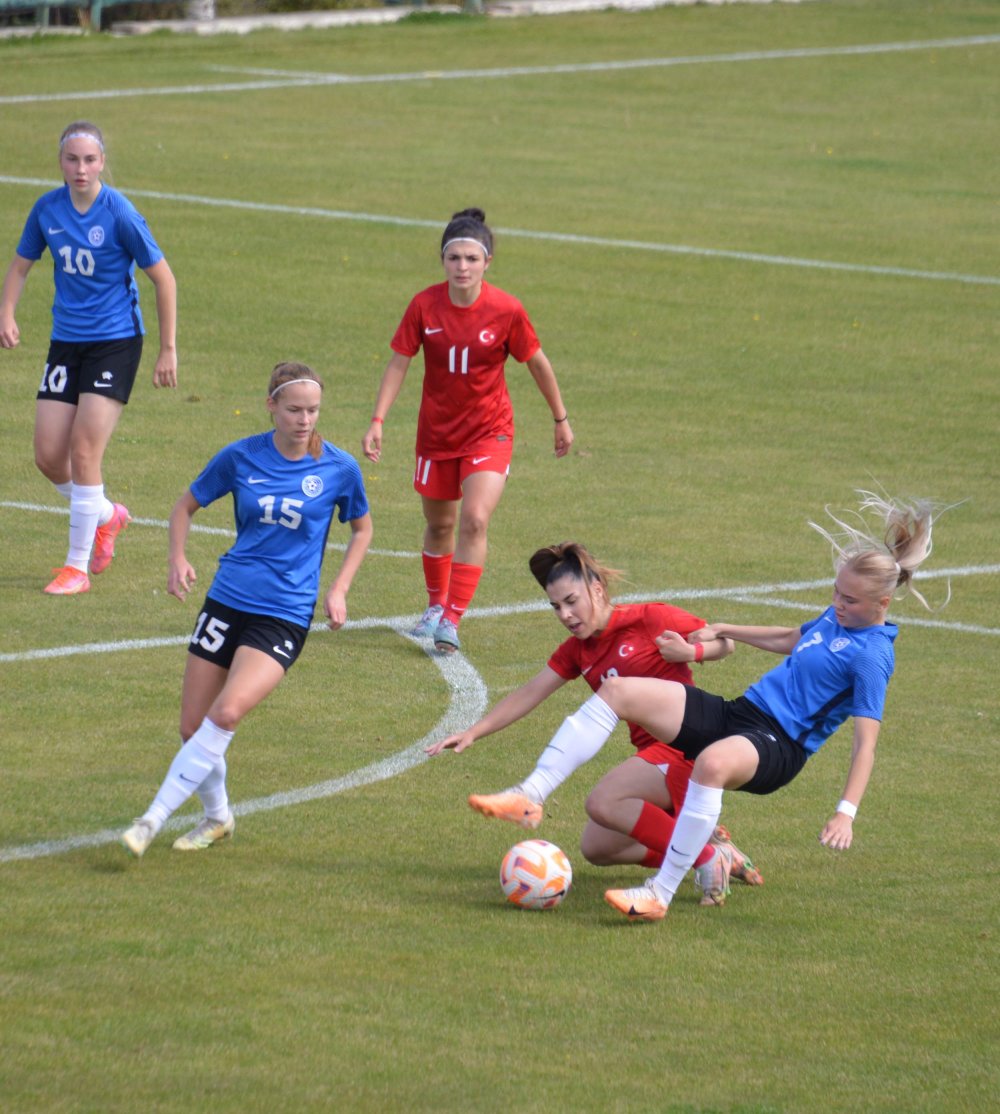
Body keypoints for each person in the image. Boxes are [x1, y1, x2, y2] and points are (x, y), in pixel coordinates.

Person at [521, 494, 942, 922]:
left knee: (711, 763)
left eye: (850, 600)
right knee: (620, 692)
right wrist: (724, 628)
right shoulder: (838, 618)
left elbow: (865, 744)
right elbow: (790, 639)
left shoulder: (872, 656)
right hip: (742, 713)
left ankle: (659, 894)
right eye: (837, 592)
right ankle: (530, 794)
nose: (838, 604)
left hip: (779, 744)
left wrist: (845, 813)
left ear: (882, 604)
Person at [120, 362, 372, 857]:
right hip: (226, 599)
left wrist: (339, 587)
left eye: (313, 410)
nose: (305, 419)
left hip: (283, 612)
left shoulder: (338, 468)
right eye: (295, 409)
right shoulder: (240, 457)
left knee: (228, 711)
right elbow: (183, 507)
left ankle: (151, 819)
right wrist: (177, 558)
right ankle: (218, 818)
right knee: (192, 726)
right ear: (271, 406)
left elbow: (361, 528)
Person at [426, 543, 764, 906]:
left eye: (572, 601)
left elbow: (725, 643)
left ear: (598, 590)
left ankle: (706, 857)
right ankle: (704, 846)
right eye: (556, 606)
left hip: (687, 749)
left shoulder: (648, 618)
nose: (565, 614)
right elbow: (529, 693)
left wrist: (692, 653)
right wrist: (473, 732)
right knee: (598, 847)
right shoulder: (578, 651)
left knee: (603, 802)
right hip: (654, 759)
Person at [361, 208, 573, 655]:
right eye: (454, 258)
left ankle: (452, 620)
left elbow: (536, 361)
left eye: (471, 259)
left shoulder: (506, 310)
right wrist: (378, 419)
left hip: (489, 432)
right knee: (440, 524)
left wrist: (560, 418)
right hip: (436, 434)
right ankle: (435, 605)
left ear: (487, 262)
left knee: (475, 518)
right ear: (443, 261)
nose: (462, 267)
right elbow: (400, 360)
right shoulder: (424, 305)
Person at [0, 120, 178, 596]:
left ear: (103, 163)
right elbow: (21, 266)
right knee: (47, 456)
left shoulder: (119, 213)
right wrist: (7, 311)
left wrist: (167, 348)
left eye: (90, 159)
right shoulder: (47, 209)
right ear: (60, 162)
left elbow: (164, 278)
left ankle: (76, 568)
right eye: (72, 159)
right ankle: (106, 516)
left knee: (83, 450)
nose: (81, 168)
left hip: (116, 342)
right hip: (66, 343)